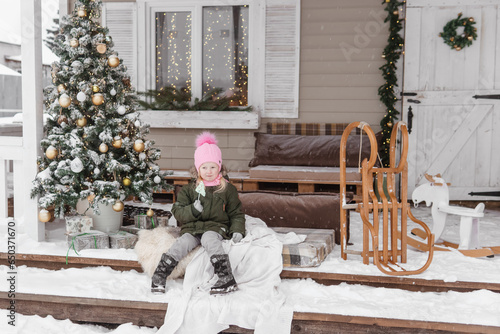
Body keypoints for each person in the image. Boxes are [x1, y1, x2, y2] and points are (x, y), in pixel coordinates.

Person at [151, 132, 246, 294]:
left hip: (215, 227)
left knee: (210, 239)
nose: (208, 171)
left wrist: (237, 229)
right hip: (193, 228)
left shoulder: (227, 189)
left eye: (212, 167)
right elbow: (178, 212)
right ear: (197, 168)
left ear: (219, 167)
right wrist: (193, 210)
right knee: (182, 243)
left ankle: (226, 277)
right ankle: (160, 275)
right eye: (204, 167)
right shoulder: (189, 189)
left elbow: (236, 213)